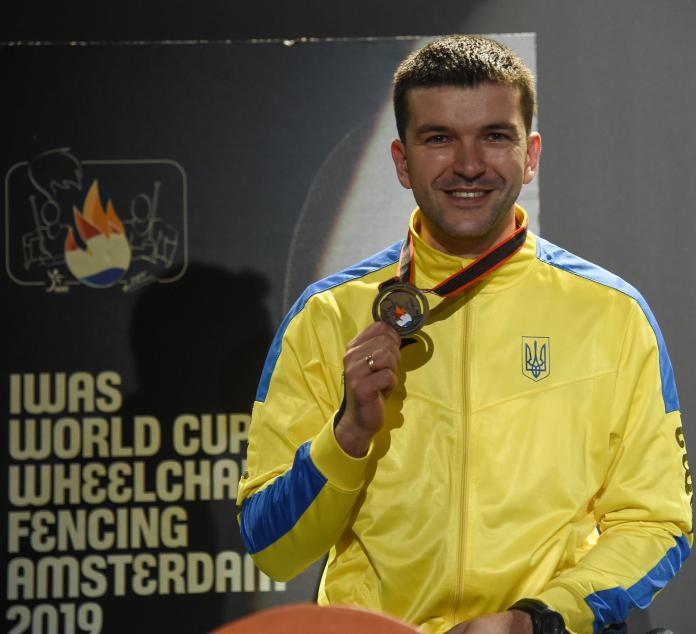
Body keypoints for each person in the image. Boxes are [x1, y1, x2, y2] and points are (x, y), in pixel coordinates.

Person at [237, 35, 692, 634]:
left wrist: (537, 620)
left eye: (494, 136)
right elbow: (273, 547)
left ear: (530, 156)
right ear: (402, 162)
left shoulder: (611, 313)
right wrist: (347, 435)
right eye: (439, 138)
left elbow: (657, 523)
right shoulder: (327, 315)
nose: (469, 164)